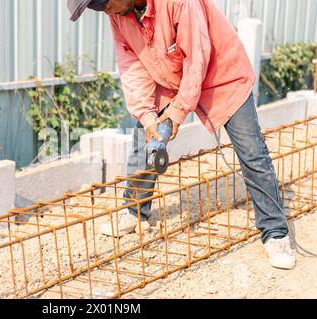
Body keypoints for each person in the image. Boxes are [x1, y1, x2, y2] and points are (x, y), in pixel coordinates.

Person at [67, 0, 296, 270]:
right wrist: (149, 117)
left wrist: (176, 112)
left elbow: (197, 57)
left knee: (252, 153)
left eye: (105, 5)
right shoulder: (119, 14)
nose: (106, 12)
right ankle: (135, 212)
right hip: (170, 76)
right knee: (146, 143)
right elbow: (131, 66)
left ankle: (276, 233)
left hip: (221, 74)